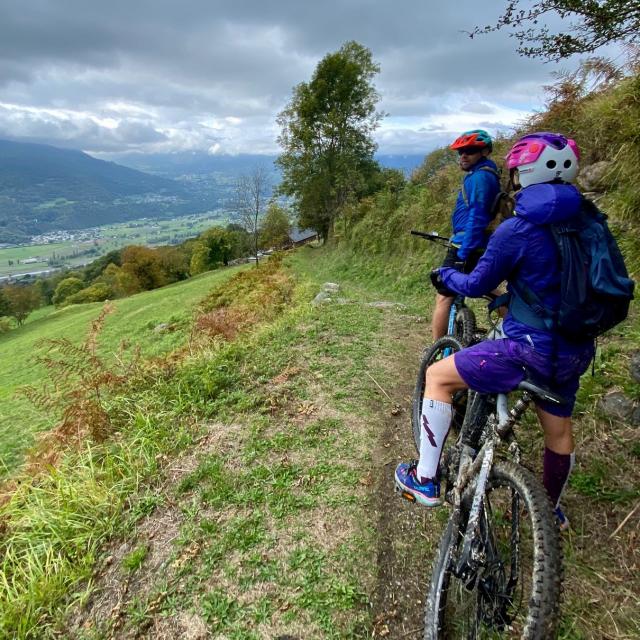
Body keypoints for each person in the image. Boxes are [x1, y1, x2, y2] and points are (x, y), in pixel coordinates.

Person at [396, 132, 595, 530]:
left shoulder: (516, 230)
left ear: (521, 175)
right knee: (558, 433)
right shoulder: (591, 225)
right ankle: (550, 512)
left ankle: (425, 479)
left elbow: (472, 284)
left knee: (437, 376)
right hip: (574, 351)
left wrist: (448, 272)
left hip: (526, 349)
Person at [431, 129, 501, 340]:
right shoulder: (487, 175)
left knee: (444, 297)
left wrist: (463, 251)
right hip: (479, 242)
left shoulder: (480, 178)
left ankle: (435, 350)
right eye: (461, 151)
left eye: (470, 151)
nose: (463, 155)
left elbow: (477, 215)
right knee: (489, 287)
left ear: (485, 151)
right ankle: (514, 327)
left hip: (466, 244)